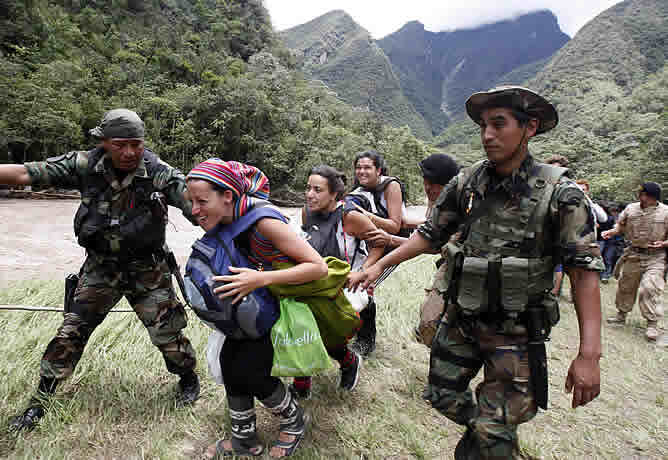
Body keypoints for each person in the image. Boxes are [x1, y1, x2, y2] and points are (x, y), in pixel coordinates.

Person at [352, 86, 603, 459]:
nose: (487, 135)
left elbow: (584, 273)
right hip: (461, 321)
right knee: (440, 395)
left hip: (516, 333)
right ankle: (492, 437)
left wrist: (589, 355)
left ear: (529, 127)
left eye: (499, 124)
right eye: (484, 125)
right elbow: (429, 236)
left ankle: (492, 440)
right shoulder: (468, 183)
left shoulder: (562, 195)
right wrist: (376, 267)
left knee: (491, 432)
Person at [0, 109, 201, 431]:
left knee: (168, 336)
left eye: (136, 144)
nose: (130, 152)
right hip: (100, 270)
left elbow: (193, 202)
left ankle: (188, 380)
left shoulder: (157, 170)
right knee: (70, 332)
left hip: (147, 271)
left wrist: (230, 218)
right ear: (104, 142)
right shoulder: (84, 165)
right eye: (121, 144)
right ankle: (40, 402)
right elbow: (26, 174)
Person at [186, 159, 328, 458]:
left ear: (227, 196)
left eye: (202, 201)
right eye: (191, 202)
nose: (194, 210)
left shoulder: (264, 221)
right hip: (247, 306)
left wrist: (261, 278)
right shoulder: (222, 216)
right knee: (230, 365)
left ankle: (294, 421)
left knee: (255, 373)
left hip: (273, 303)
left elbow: (318, 268)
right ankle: (244, 440)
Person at [289, 164, 385, 398]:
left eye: (318, 190)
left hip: (345, 285)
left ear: (334, 194)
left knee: (324, 329)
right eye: (308, 188)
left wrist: (362, 271)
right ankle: (303, 383)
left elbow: (379, 244)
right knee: (300, 324)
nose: (310, 194)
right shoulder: (306, 212)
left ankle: (348, 362)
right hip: (314, 282)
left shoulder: (350, 216)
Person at [346, 150, 408, 356]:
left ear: (378, 170)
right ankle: (358, 334)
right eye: (358, 168)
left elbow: (395, 225)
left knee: (365, 286)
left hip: (391, 244)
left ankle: (366, 340)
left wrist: (365, 215)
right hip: (371, 244)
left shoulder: (391, 186)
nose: (361, 171)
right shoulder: (359, 190)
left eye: (367, 167)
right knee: (360, 285)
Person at [602, 182, 668, 341]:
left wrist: (664, 243)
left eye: (642, 193)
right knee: (626, 286)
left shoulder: (666, 212)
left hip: (656, 257)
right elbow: (620, 225)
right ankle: (621, 315)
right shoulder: (631, 208)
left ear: (651, 196)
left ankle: (652, 324)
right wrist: (611, 232)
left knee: (649, 288)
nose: (639, 195)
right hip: (633, 254)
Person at [545, 155, 569, 296]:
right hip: (540, 234)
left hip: (559, 235)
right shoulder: (541, 187)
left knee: (558, 266)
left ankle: (554, 293)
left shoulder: (569, 189)